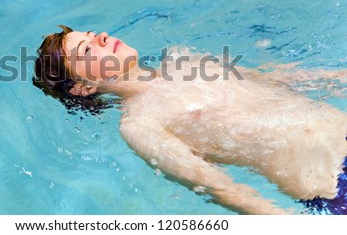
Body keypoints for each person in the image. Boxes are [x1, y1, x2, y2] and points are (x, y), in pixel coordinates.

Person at [33, 25, 347, 215]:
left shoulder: (187, 60)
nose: (102, 35)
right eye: (88, 48)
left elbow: (283, 81)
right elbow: (219, 187)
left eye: (92, 34)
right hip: (332, 182)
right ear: (84, 87)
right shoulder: (140, 124)